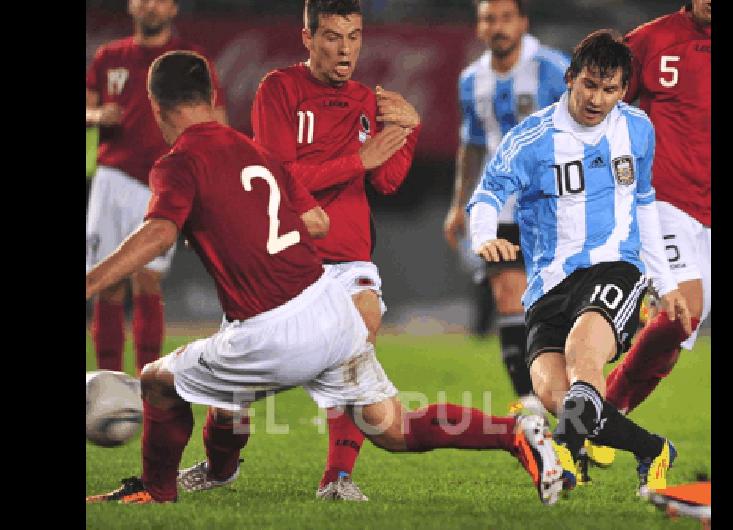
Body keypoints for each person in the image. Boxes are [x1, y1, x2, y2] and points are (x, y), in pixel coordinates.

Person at [85, 50, 566, 506]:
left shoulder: (178, 163)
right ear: (213, 98)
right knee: (394, 428)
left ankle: (156, 488)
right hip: (329, 309)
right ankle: (515, 434)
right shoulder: (254, 154)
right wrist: (240, 223)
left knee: (157, 381)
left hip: (272, 331)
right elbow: (317, 222)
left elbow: (158, 233)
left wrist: (90, 281)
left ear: (154, 106)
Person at [181, 0, 419, 502]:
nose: (346, 49)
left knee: (363, 322)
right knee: (229, 397)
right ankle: (220, 467)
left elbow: (389, 181)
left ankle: (337, 478)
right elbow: (279, 176)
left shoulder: (365, 100)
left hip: (349, 259)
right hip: (284, 258)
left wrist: (407, 131)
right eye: (333, 36)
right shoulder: (278, 89)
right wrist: (358, 158)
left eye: (354, 36)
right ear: (307, 38)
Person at [467, 29, 692, 496]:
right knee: (554, 393)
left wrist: (664, 282)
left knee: (582, 355)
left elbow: (644, 204)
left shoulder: (636, 129)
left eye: (610, 89)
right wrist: (484, 235)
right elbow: (488, 193)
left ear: (623, 90)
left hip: (615, 266)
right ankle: (652, 448)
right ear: (570, 79)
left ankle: (564, 454)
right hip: (548, 285)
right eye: (590, 85)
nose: (598, 98)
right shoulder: (531, 138)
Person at [442, 0, 569, 417]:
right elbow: (472, 145)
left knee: (559, 303)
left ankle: (573, 395)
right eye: (488, 19)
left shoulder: (553, 68)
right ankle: (532, 406)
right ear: (479, 27)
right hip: (501, 206)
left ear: (522, 23)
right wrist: (459, 205)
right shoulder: (470, 81)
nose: (497, 27)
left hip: (556, 206)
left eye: (504, 18)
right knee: (507, 294)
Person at [86, 0, 226, 375]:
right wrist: (99, 116)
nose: (150, 6)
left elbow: (218, 120)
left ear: (174, 8)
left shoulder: (190, 60)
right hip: (113, 179)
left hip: (164, 180)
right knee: (108, 282)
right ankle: (108, 384)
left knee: (148, 280)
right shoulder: (109, 56)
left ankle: (147, 381)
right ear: (131, 7)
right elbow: (87, 108)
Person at [599, 0, 711, 463]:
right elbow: (601, 107)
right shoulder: (652, 40)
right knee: (683, 311)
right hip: (665, 200)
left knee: (672, 341)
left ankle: (598, 418)